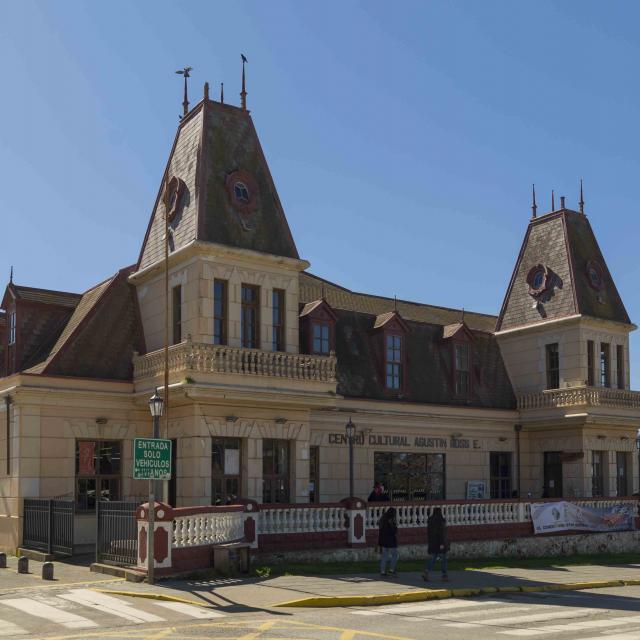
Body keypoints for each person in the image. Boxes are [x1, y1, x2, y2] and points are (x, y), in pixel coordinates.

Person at [423, 507, 448, 582]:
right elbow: (442, 533)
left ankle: (426, 572)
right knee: (443, 559)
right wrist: (442, 543)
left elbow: (429, 533)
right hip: (440, 543)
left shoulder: (430, 520)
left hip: (432, 543)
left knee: (433, 558)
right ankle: (444, 575)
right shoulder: (441, 520)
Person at [378, 507, 398, 577]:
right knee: (395, 555)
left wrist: (379, 542)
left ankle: (382, 571)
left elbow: (380, 531)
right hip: (390, 541)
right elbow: (393, 531)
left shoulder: (382, 519)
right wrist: (395, 528)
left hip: (383, 541)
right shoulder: (390, 520)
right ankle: (391, 570)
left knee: (384, 556)